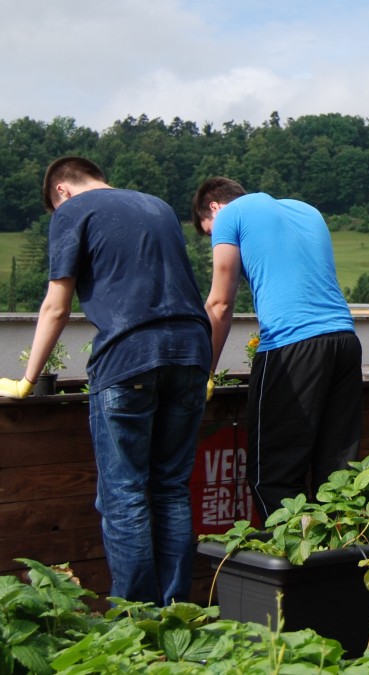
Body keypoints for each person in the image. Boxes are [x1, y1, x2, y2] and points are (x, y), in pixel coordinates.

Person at [0, 156, 211, 606]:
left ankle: (135, 620)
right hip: (192, 355)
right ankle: (178, 613)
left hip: (129, 357)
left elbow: (56, 306)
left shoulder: (73, 212)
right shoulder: (156, 205)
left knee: (125, 493)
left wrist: (27, 378)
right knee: (170, 488)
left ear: (61, 190)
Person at [191, 178, 364, 521]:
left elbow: (220, 304)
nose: (215, 239)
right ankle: (340, 563)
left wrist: (204, 371)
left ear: (213, 207)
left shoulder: (230, 216)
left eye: (209, 233)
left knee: (273, 475)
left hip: (291, 345)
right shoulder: (307, 211)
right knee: (339, 474)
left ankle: (294, 565)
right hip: (344, 341)